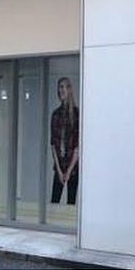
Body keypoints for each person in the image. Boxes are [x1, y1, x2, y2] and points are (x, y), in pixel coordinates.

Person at [50, 77, 79, 205]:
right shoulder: (55, 114)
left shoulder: (76, 114)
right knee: (54, 201)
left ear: (69, 89)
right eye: (60, 87)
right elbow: (53, 144)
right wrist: (59, 170)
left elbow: (77, 146)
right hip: (59, 165)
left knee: (71, 202)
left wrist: (69, 171)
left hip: (73, 166)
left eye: (64, 87)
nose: (61, 90)